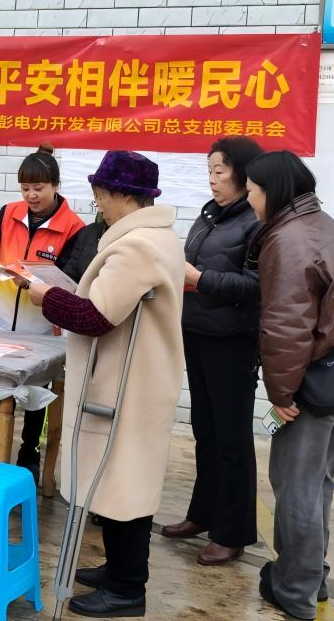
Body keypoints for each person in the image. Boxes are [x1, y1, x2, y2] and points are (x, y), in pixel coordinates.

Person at [28, 151, 185, 618]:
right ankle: (118, 571)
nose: (97, 202)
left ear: (122, 195)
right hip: (132, 382)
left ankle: (128, 589)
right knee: (121, 480)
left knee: (125, 485)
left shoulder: (136, 247)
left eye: (100, 193)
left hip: (127, 388)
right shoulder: (157, 237)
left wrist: (46, 296)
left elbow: (96, 316)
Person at [161, 136, 264, 566]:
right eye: (209, 171)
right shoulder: (209, 215)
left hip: (233, 341)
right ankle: (202, 514)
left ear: (243, 173)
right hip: (198, 332)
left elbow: (255, 287)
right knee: (205, 431)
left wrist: (198, 279)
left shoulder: (256, 222)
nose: (212, 180)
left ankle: (232, 532)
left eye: (219, 171)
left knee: (232, 438)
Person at [0, 144, 83, 482]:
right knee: (0, 388)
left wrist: (34, 283)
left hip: (43, 329)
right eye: (25, 188)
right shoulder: (10, 212)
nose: (31, 196)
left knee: (37, 397)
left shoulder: (73, 227)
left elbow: (70, 277)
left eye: (38, 188)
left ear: (55, 185)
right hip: (3, 323)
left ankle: (29, 453)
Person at [244, 151, 334, 621]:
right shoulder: (321, 224)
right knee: (318, 485)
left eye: (252, 190)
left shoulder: (289, 239)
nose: (249, 199)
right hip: (328, 379)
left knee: (296, 486)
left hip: (309, 384)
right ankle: (312, 578)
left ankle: (294, 591)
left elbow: (286, 327)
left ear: (272, 191)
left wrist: (280, 396)